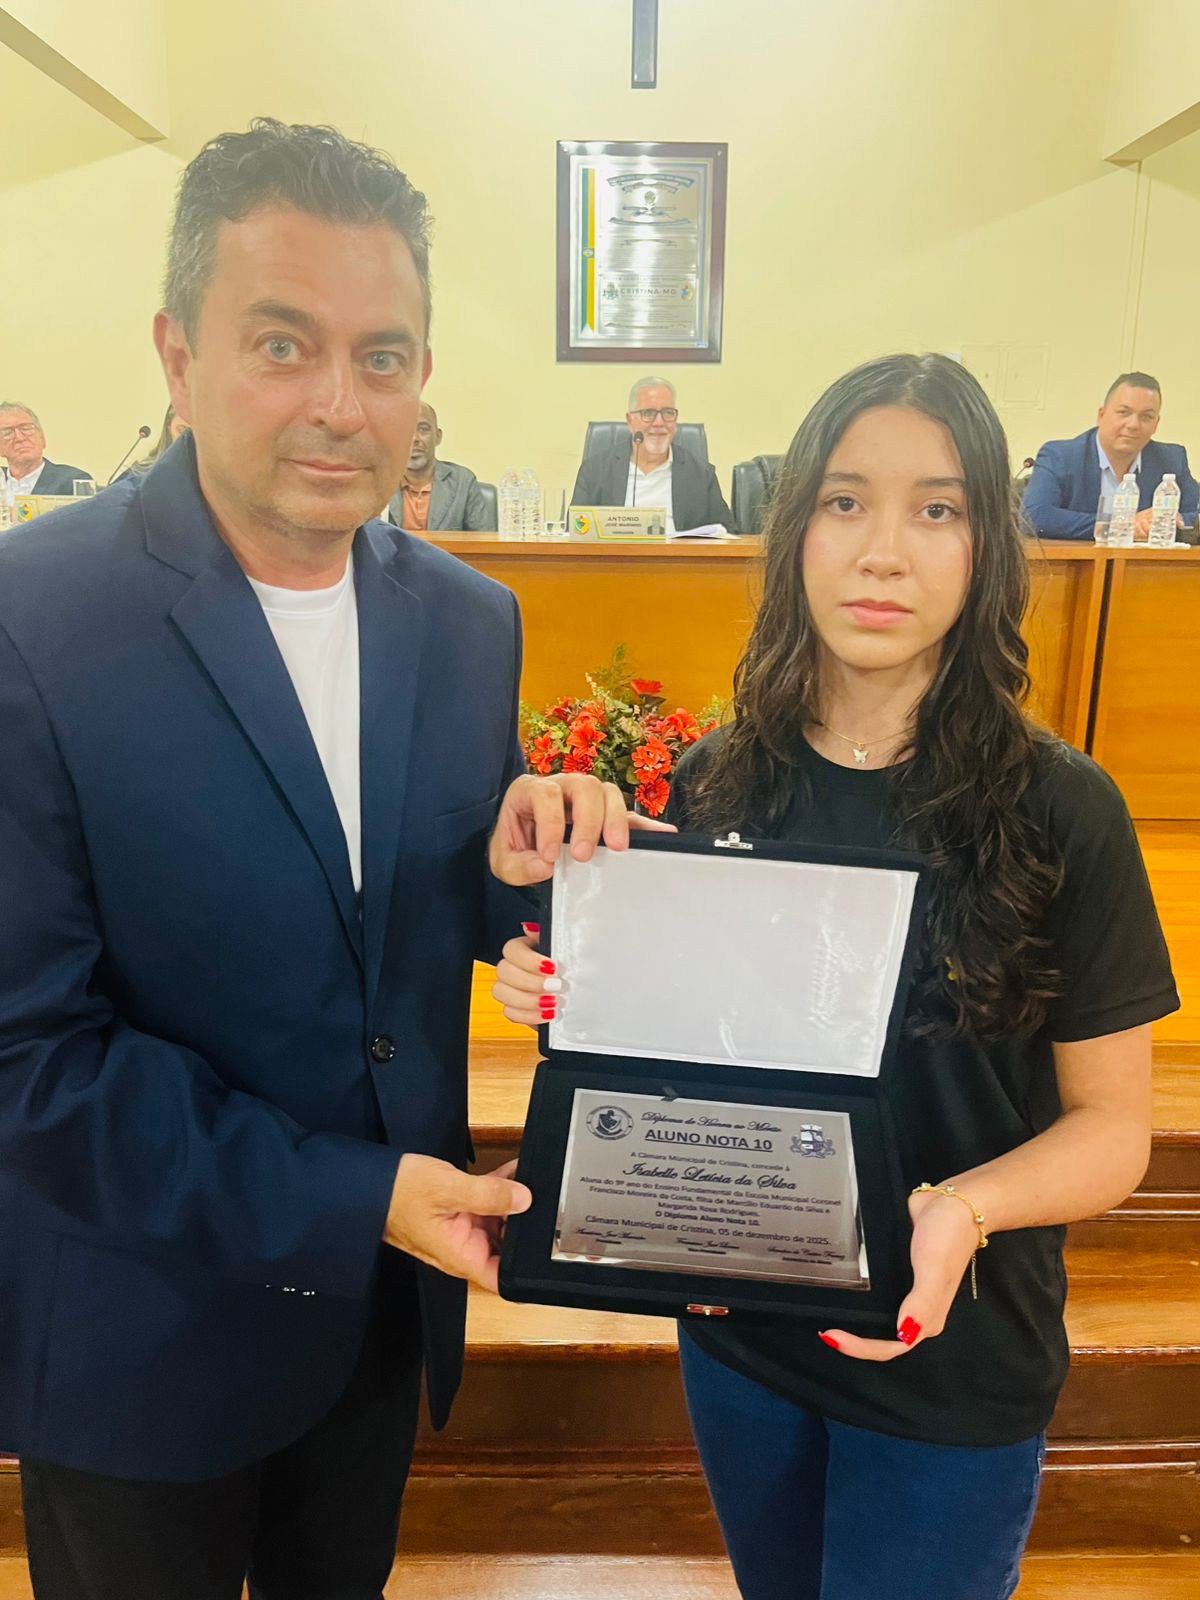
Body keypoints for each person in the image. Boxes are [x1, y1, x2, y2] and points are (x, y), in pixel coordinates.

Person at [0, 117, 651, 1600]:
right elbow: (27, 1055)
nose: (340, 406)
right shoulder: (30, 618)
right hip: (139, 1333)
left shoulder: (467, 619)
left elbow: (408, 903)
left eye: (383, 356)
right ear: (178, 355)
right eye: (283, 345)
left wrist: (529, 875)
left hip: (372, 1327)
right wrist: (357, 1197)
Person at [494, 353, 1179, 1599]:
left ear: (987, 546)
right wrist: (572, 994)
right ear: (796, 529)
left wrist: (961, 1208)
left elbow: (1114, 1129)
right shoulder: (713, 781)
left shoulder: (1064, 808)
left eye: (937, 508)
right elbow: (686, 1058)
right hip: (745, 1344)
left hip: (954, 1359)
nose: (883, 552)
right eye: (846, 500)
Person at [1023, 372, 1198, 541]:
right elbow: (1035, 517)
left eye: (1146, 416)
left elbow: (1196, 516)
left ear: (1156, 424)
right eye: (1124, 412)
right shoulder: (1060, 456)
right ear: (1101, 415)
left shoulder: (1171, 459)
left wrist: (1170, 520)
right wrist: (1123, 525)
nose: (1133, 425)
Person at [569, 376, 732, 532]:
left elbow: (728, 534)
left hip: (676, 552)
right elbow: (575, 529)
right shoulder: (594, 471)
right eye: (648, 413)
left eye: (668, 413)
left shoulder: (702, 474)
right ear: (630, 421)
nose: (659, 422)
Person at [386, 400, 495, 531]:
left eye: (423, 429)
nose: (414, 438)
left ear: (438, 436)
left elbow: (484, 538)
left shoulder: (462, 482)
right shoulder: (379, 481)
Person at [0, 400, 92, 494]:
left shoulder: (73, 481)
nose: (20, 438)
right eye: (7, 433)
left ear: (42, 438)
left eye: (26, 428)